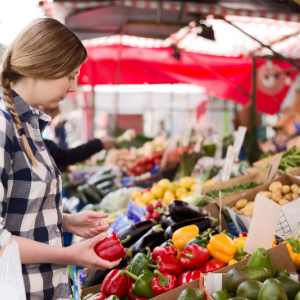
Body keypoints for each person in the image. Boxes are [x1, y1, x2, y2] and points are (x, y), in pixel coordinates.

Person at [0, 18, 121, 300]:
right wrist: (68, 255)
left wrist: (65, 221)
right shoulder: (3, 127)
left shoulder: (27, 124)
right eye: (71, 75)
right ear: (44, 66)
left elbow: (16, 212)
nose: (73, 88)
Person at [39, 106, 118, 171]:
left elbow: (59, 157)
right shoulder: (34, 139)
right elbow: (64, 156)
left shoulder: (36, 136)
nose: (50, 123)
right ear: (41, 109)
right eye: (52, 118)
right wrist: (98, 144)